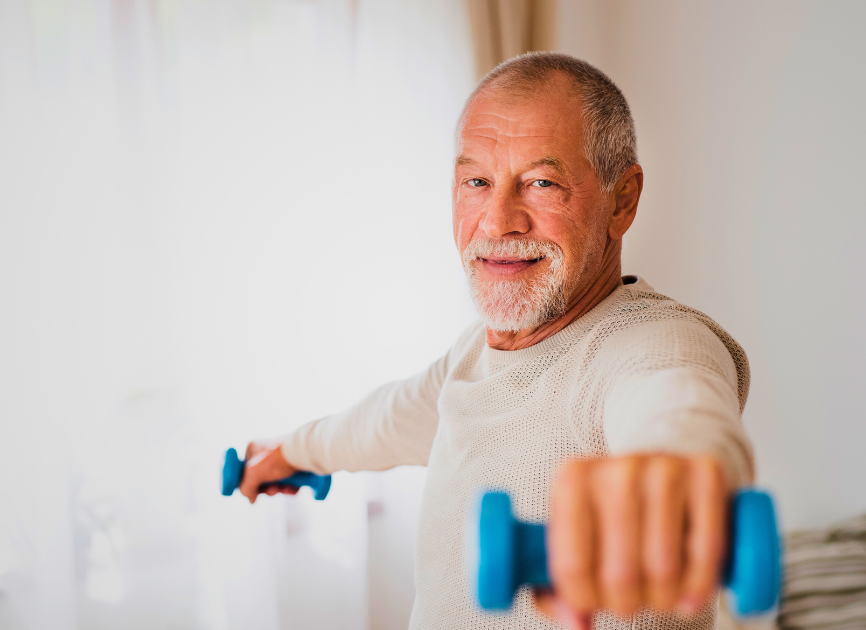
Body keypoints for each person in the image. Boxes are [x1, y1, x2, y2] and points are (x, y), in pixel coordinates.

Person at [238, 52, 753, 630]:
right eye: (477, 182)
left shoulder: (651, 339)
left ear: (622, 199)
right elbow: (387, 420)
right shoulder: (475, 355)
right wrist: (290, 450)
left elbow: (678, 401)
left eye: (541, 183)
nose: (498, 220)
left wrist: (672, 479)